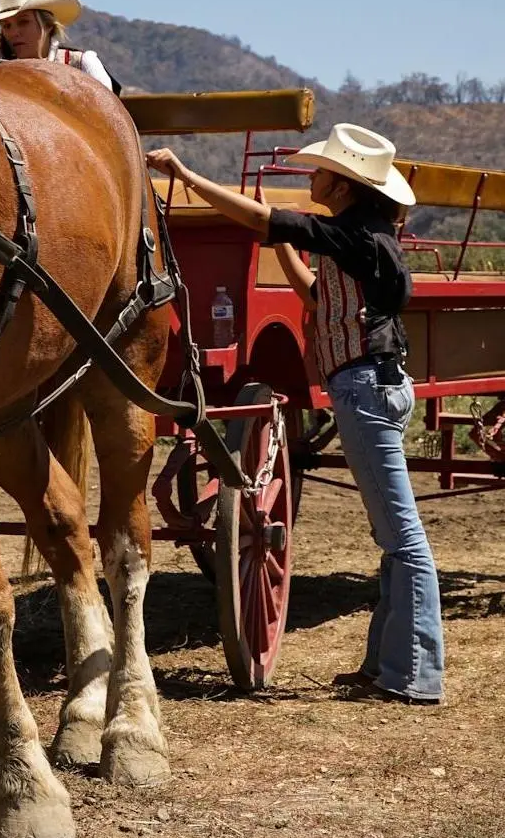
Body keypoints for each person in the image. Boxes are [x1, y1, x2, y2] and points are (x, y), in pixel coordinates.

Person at [145, 124, 444, 704]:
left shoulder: (361, 237)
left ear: (345, 184)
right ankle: (388, 668)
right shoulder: (363, 236)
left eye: (321, 170)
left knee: (404, 542)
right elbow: (316, 298)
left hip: (363, 388)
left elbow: (261, 220)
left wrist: (185, 177)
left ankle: (416, 678)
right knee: (394, 537)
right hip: (369, 385)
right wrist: (283, 244)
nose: (311, 177)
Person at [0, 0, 120, 93]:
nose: (13, 33)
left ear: (48, 25)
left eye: (24, 22)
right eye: (6, 26)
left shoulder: (81, 64)